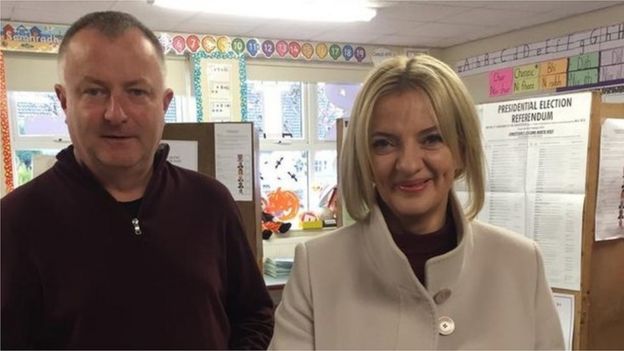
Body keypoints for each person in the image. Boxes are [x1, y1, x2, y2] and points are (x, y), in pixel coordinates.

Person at [1, 11, 274, 349]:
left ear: (165, 103)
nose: (116, 113)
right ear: (63, 100)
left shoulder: (211, 203)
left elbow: (254, 314)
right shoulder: (16, 221)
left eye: (137, 92)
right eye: (94, 91)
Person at [269, 55, 565, 349]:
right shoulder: (318, 268)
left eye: (432, 138)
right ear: (365, 158)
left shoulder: (521, 264)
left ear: (461, 150)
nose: (409, 164)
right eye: (384, 143)